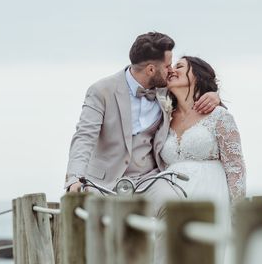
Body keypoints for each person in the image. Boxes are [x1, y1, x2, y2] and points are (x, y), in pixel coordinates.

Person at [64, 32, 221, 263]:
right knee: (97, 231)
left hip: (149, 179)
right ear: (150, 70)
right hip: (105, 182)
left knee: (174, 208)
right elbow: (84, 137)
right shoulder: (101, 91)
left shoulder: (166, 91)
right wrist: (75, 179)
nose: (171, 71)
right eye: (167, 65)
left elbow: (192, 93)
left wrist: (213, 96)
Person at [161, 56, 246, 264]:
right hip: (171, 202)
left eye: (179, 66)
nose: (172, 70)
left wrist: (237, 212)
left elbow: (235, 168)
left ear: (197, 76)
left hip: (210, 197)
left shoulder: (219, 116)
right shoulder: (163, 116)